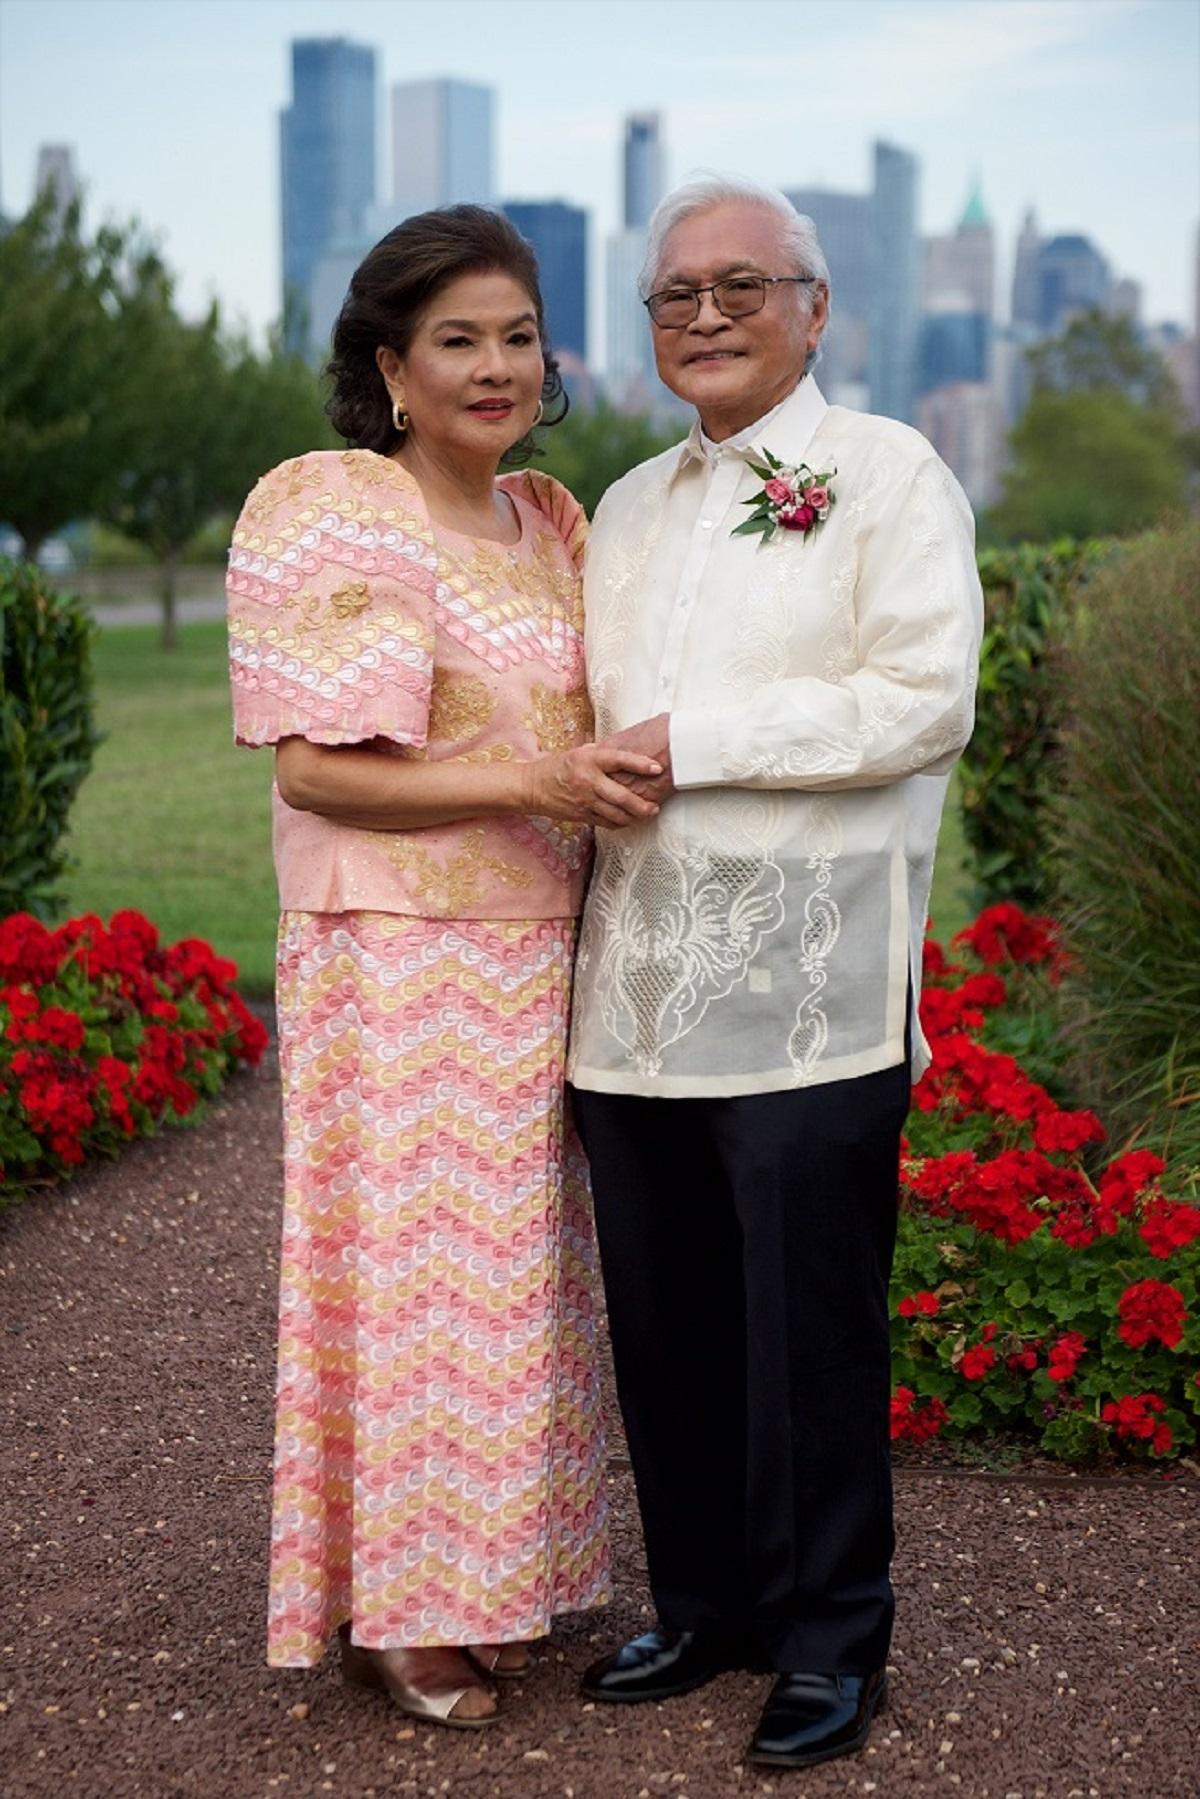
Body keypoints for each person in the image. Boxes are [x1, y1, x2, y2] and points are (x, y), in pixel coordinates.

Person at [226, 206, 663, 1729]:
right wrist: (537, 786)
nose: (495, 366)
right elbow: (316, 776)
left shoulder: (551, 522)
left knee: (515, 1281)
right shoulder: (350, 511)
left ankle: (486, 1578)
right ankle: (402, 1610)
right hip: (397, 951)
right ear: (392, 370)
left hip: (539, 948)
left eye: (518, 335)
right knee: (411, 1274)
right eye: (457, 340)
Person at [567, 174, 984, 1771]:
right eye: (679, 293)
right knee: (665, 1324)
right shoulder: (618, 507)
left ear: (817, 307)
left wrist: (699, 743)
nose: (710, 314)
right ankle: (707, 1605)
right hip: (638, 1000)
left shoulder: (885, 472)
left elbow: (921, 699)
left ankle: (828, 1642)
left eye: (746, 285)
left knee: (807, 1334)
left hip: (812, 985)